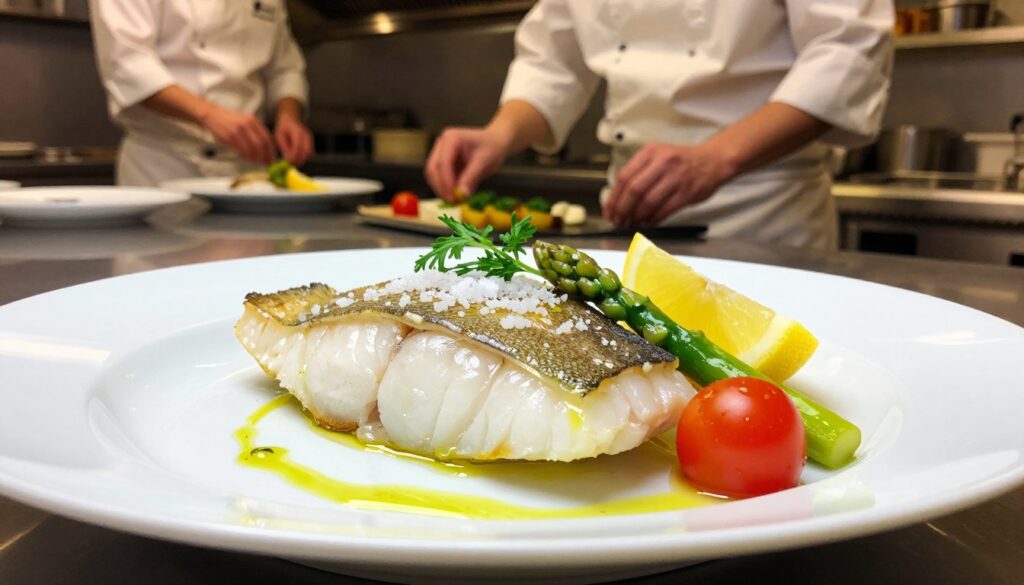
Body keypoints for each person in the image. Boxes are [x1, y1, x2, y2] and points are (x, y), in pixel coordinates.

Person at [425, 1, 894, 248]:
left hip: (760, 212)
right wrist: (499, 134)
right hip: (628, 213)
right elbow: (553, 62)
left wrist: (716, 158)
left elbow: (850, 46)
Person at [90, 0, 314, 187]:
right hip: (166, 166)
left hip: (248, 166)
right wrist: (210, 115)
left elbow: (284, 68)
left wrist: (288, 117)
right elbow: (126, 64)